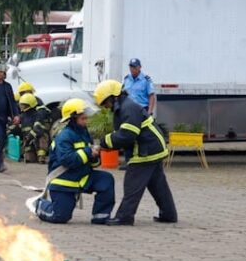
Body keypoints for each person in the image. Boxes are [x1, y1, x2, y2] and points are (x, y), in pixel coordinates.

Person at [94, 79, 177, 226]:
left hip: (146, 151)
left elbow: (127, 135)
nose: (106, 107)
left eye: (105, 103)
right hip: (152, 147)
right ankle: (169, 214)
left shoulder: (128, 108)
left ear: (113, 97)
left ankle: (124, 217)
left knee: (132, 184)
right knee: (158, 185)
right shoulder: (125, 106)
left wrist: (104, 142)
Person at [35, 98, 115, 225]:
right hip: (64, 180)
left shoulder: (84, 133)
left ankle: (101, 217)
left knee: (106, 179)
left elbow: (92, 163)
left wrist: (94, 156)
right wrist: (89, 152)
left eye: (85, 118)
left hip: (82, 176)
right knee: (60, 217)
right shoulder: (64, 136)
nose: (86, 121)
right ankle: (40, 205)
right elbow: (67, 160)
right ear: (73, 119)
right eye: (83, 119)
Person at [8, 93, 52, 163]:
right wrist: (8, 131)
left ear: (30, 104)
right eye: (21, 104)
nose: (21, 106)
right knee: (29, 159)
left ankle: (41, 157)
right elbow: (16, 127)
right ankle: (31, 155)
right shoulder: (22, 116)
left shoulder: (38, 114)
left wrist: (30, 136)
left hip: (37, 137)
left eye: (24, 105)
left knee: (42, 137)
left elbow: (38, 129)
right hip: (28, 139)